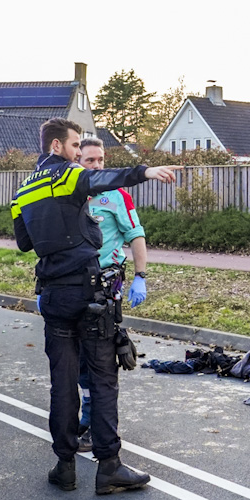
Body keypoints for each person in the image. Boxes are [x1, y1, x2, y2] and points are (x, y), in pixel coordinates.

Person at [13, 117, 175, 495]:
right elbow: (102, 180)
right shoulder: (68, 175)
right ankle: (109, 467)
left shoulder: (23, 189)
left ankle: (65, 467)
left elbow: (23, 242)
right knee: (102, 379)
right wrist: (146, 171)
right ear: (57, 147)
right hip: (89, 292)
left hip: (52, 293)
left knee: (63, 382)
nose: (77, 155)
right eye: (74, 147)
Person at [77, 136, 150, 447]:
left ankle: (97, 424)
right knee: (78, 359)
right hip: (72, 284)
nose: (96, 166)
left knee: (102, 358)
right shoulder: (70, 194)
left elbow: (136, 235)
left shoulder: (118, 195)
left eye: (100, 160)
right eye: (89, 161)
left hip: (106, 286)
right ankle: (85, 417)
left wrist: (140, 276)